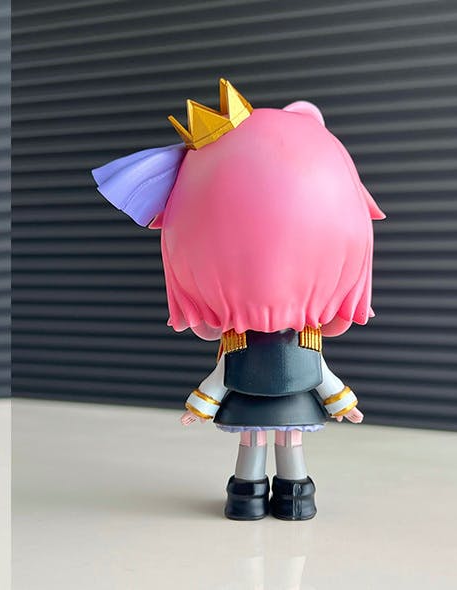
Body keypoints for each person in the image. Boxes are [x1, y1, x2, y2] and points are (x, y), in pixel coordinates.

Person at [93, 79, 383, 520]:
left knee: (287, 444)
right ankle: (249, 493)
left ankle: (292, 494)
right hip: (254, 397)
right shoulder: (242, 342)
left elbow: (318, 372)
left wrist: (343, 400)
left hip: (288, 400)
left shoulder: (301, 339)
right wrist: (200, 405)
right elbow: (224, 374)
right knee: (256, 443)